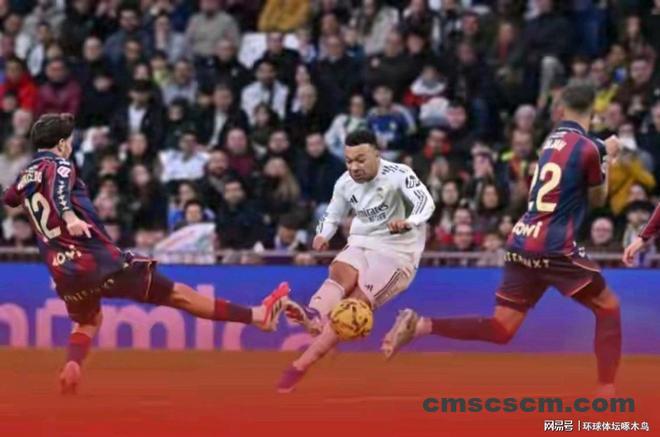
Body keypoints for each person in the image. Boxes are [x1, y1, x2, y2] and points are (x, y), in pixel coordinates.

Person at [1, 113, 289, 394]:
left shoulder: (26, 176)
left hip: (63, 272)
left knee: (88, 320)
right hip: (98, 262)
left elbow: (9, 198)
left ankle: (72, 364)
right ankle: (257, 316)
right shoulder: (60, 165)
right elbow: (59, 191)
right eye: (70, 140)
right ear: (62, 143)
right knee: (178, 295)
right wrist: (69, 216)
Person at [382, 80, 623, 396]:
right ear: (594, 109)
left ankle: (422, 325)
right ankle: (606, 388)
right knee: (608, 307)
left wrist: (602, 153)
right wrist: (607, 158)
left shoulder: (550, 142)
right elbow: (599, 200)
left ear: (561, 109)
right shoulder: (589, 147)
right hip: (553, 244)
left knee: (502, 328)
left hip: (522, 239)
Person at [277, 129, 435, 392]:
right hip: (362, 241)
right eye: (349, 161)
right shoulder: (344, 183)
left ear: (377, 154)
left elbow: (426, 203)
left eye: (361, 160)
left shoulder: (400, 175)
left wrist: (410, 221)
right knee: (340, 272)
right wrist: (323, 234)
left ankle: (300, 365)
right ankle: (314, 314)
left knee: (353, 307)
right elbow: (332, 214)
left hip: (397, 255)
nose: (354, 167)